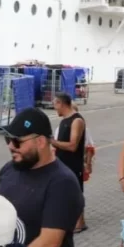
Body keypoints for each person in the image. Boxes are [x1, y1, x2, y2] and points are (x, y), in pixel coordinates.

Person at [0, 108, 83, 247]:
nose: (10, 146)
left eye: (17, 141)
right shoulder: (9, 170)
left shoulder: (62, 183)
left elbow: (49, 243)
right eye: (8, 139)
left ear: (41, 142)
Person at [50, 93, 87, 233]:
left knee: (76, 192)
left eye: (55, 105)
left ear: (61, 103)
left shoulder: (76, 121)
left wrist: (53, 142)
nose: (55, 109)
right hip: (62, 162)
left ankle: (80, 222)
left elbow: (73, 145)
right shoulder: (64, 120)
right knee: (65, 192)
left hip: (73, 163)